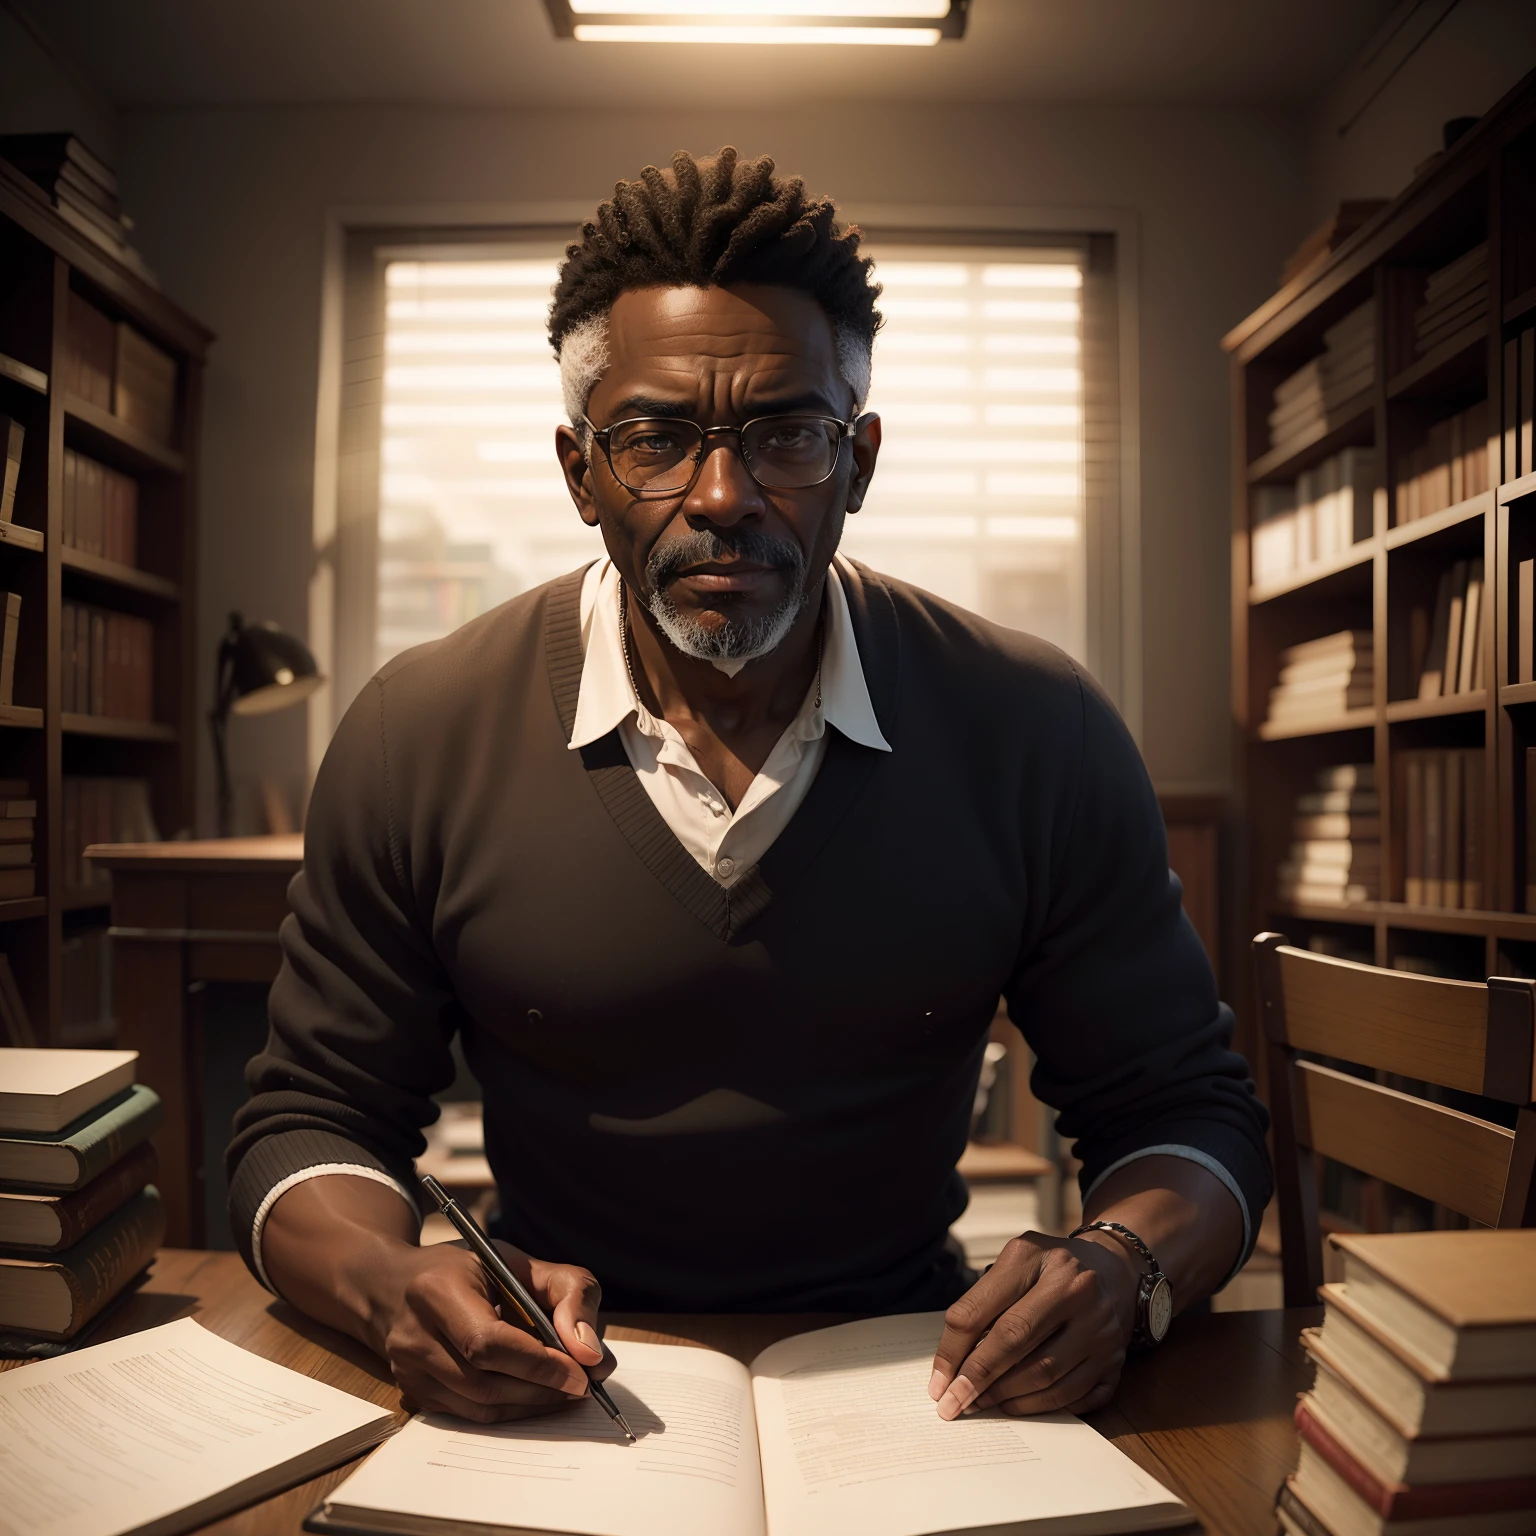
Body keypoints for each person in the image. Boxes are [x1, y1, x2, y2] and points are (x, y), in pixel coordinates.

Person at [228, 147, 1270, 1431]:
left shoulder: (1035, 726)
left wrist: (1128, 1266)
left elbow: (1186, 1114)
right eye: (656, 439)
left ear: (861, 460)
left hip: (926, 1390)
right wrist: (390, 1280)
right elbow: (310, 1118)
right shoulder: (416, 727)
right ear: (580, 471)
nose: (723, 499)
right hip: (544, 1383)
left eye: (787, 434)